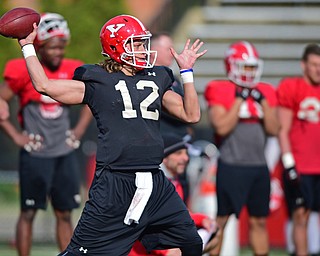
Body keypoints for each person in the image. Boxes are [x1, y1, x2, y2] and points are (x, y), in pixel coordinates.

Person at [17, 14, 207, 256]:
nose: (143, 49)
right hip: (115, 181)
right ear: (117, 46)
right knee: (83, 253)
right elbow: (44, 85)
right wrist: (28, 46)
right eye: (136, 44)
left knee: (191, 243)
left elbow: (191, 115)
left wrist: (187, 72)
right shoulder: (99, 80)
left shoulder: (156, 77)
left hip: (155, 181)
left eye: (143, 43)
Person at [0, 13, 92, 256]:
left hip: (64, 152)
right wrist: (16, 136)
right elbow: (0, 99)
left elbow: (92, 100)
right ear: (40, 46)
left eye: (62, 47)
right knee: (28, 212)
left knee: (64, 213)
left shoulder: (74, 68)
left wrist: (79, 131)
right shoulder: (22, 69)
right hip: (36, 153)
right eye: (53, 47)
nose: (58, 52)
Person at [204, 40, 279, 255]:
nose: (249, 72)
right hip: (231, 165)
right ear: (231, 65)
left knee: (259, 222)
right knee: (221, 221)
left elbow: (274, 128)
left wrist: (262, 102)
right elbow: (221, 127)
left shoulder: (265, 90)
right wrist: (239, 101)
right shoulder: (219, 88)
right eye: (245, 66)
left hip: (258, 166)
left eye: (252, 67)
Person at [129, 132, 220, 256]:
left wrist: (203, 220)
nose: (186, 158)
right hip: (142, 250)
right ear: (164, 157)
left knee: (214, 232)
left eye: (186, 153)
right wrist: (165, 250)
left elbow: (179, 215)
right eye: (178, 153)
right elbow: (141, 225)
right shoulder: (151, 183)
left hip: (161, 241)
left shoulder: (174, 181)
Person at [277, 43, 320, 256]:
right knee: (300, 215)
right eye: (314, 64)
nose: (318, 69)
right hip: (301, 165)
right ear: (304, 65)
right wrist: (288, 163)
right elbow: (282, 129)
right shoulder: (291, 87)